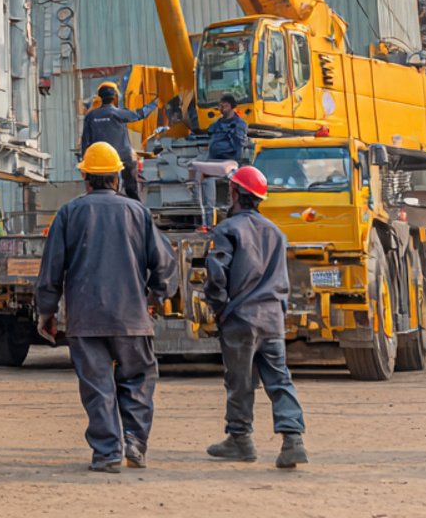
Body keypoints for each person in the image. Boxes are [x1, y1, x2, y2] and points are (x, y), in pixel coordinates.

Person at [34, 141, 176, 473]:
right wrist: (156, 297)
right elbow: (165, 264)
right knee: (138, 379)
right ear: (116, 177)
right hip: (131, 317)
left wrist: (47, 311)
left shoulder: (69, 213)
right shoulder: (137, 212)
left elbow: (51, 268)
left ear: (86, 178)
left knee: (97, 386)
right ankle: (135, 443)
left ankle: (107, 453)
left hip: (86, 319)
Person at [204, 165, 309, 470]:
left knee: (239, 381)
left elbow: (216, 274)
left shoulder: (227, 229)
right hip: (272, 318)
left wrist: (220, 308)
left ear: (235, 192)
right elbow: (283, 280)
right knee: (280, 379)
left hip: (241, 319)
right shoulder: (276, 233)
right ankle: (293, 441)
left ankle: (240, 440)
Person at [78, 81, 156, 200]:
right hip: (123, 157)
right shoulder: (118, 113)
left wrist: (84, 161)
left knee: (96, 186)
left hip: (99, 161)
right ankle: (135, 203)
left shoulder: (91, 116)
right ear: (114, 97)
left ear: (100, 97)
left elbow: (85, 141)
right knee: (131, 186)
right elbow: (140, 114)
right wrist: (154, 104)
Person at [207, 94, 249, 162]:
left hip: (229, 162)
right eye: (221, 106)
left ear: (232, 106)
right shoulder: (215, 124)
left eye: (226, 106)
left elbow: (239, 146)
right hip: (214, 161)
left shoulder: (239, 124)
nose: (223, 108)